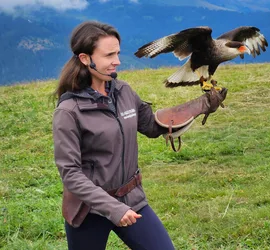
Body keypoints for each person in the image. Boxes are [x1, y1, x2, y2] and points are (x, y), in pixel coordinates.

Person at [52, 20, 226, 250]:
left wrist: (199, 106)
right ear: (85, 59)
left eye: (118, 53)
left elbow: (152, 126)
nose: (117, 61)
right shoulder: (68, 112)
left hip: (131, 199)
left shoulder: (123, 91)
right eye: (109, 55)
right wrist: (113, 208)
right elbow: (71, 174)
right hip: (88, 210)